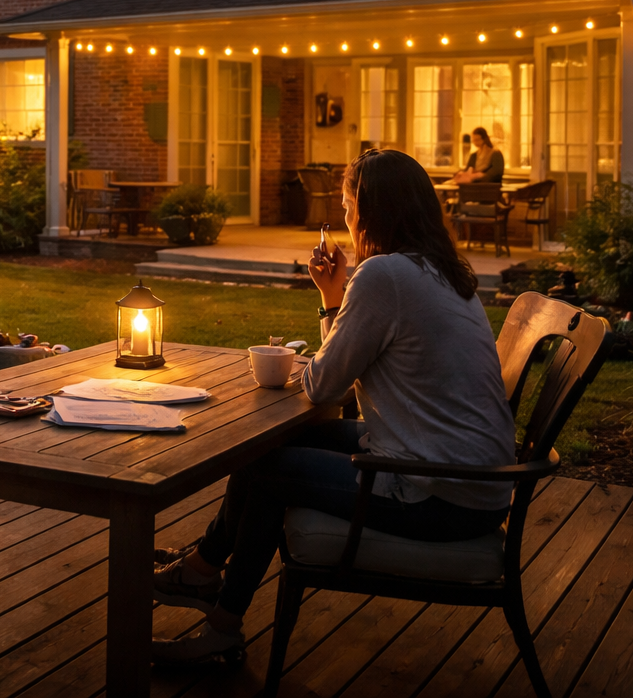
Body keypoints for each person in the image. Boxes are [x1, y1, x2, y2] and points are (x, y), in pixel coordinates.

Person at [149, 148, 516, 665]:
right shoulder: (440, 272)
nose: (345, 216)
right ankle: (206, 577)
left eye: (347, 205)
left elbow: (323, 387)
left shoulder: (384, 276)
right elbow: (339, 376)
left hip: (437, 493)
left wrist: (338, 299)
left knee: (267, 465)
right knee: (275, 445)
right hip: (473, 482)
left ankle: (214, 607)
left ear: (370, 211)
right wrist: (332, 296)